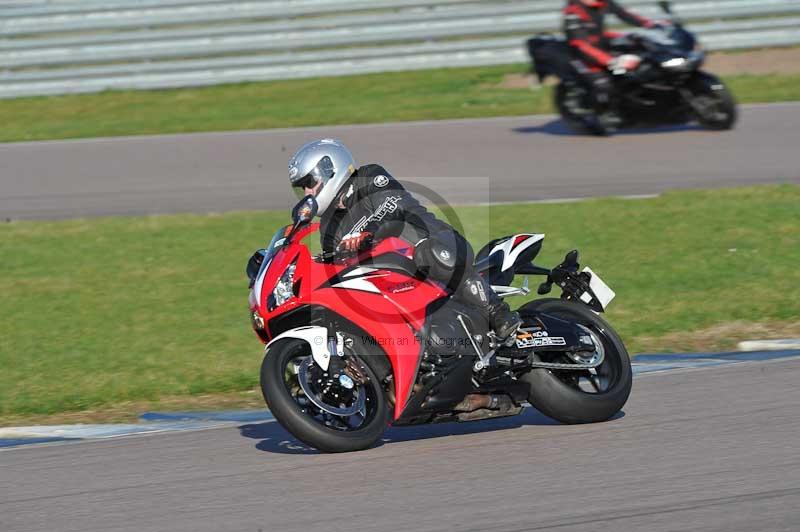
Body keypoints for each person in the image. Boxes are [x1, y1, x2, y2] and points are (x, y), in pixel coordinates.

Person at [287, 138, 523, 341]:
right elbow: (334, 266)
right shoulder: (329, 226)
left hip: (436, 244)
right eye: (302, 188)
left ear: (330, 168)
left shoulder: (369, 177)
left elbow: (394, 208)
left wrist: (367, 234)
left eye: (310, 183)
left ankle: (498, 312)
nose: (308, 193)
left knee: (427, 252)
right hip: (395, 278)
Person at [563, 0, 666, 109]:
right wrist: (611, 61)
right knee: (604, 86)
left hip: (600, 43)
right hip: (583, 53)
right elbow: (580, 44)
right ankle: (607, 115)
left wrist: (650, 24)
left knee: (641, 53)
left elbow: (624, 14)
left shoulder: (603, 2)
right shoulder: (574, 11)